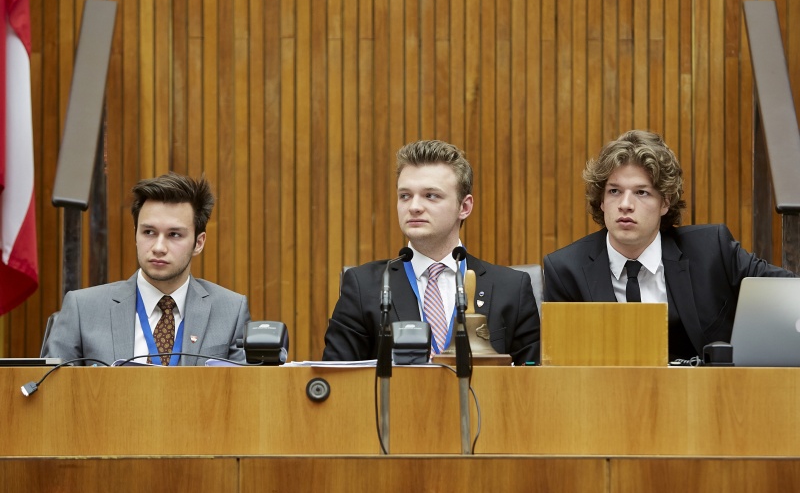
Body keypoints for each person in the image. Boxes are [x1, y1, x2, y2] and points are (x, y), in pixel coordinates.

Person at [543, 130, 795, 360]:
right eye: (614, 191)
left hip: (707, 400)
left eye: (641, 192)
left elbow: (787, 294)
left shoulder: (712, 250)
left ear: (665, 202)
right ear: (601, 201)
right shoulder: (566, 270)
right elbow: (562, 368)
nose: (625, 204)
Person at [323, 140, 540, 365]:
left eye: (431, 195)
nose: (414, 206)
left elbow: (534, 383)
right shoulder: (363, 286)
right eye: (405, 196)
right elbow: (337, 380)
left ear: (464, 207)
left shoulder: (511, 288)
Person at [43, 173, 249, 365]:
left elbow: (246, 393)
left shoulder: (230, 312)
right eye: (149, 232)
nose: (159, 248)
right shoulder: (83, 309)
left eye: (174, 235)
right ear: (136, 234)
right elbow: (52, 394)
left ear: (199, 242)